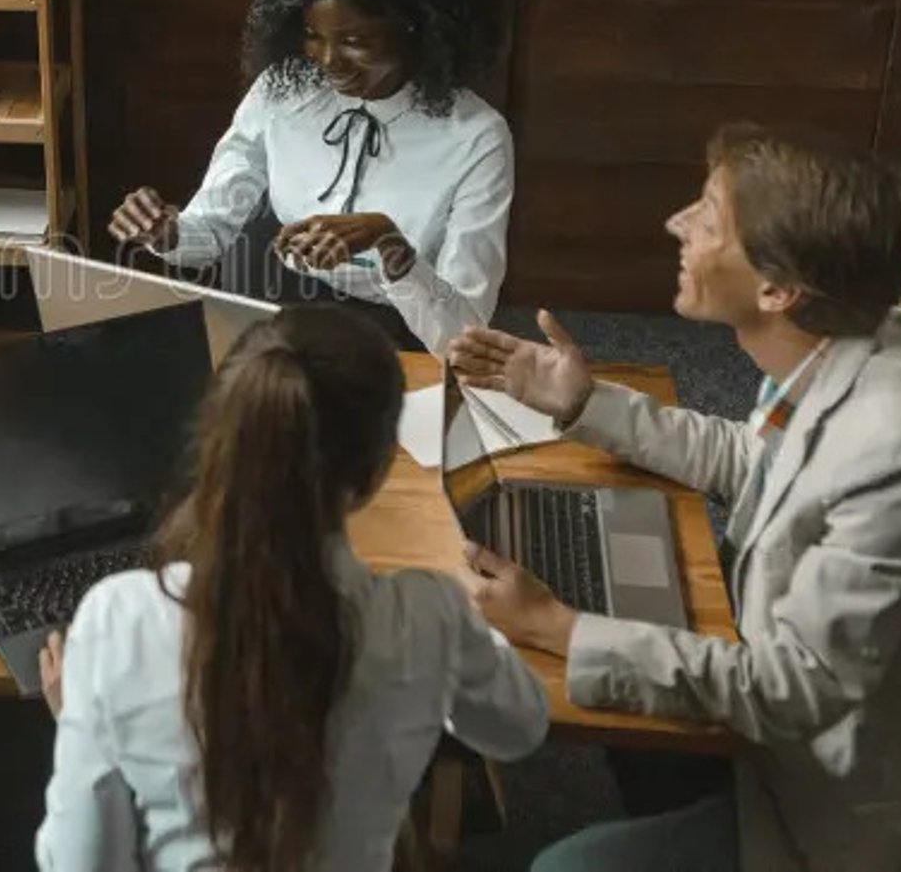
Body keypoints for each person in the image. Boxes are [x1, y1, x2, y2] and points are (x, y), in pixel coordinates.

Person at [447, 124, 901, 872]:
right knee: (634, 660)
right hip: (828, 705)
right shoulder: (857, 332)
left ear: (776, 287)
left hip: (883, 817)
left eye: (706, 216)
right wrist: (584, 403)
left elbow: (792, 687)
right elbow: (756, 458)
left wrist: (562, 626)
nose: (679, 225)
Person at [34, 305, 548, 871]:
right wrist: (458, 639)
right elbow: (518, 729)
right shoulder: (429, 616)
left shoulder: (117, 620)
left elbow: (83, 864)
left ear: (221, 441)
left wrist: (83, 717)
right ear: (375, 474)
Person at [108, 0, 511, 352]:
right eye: (312, 36)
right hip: (276, 305)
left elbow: (464, 333)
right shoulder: (282, 91)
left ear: (418, 25)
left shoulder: (478, 139)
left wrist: (392, 248)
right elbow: (210, 230)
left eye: (355, 40)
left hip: (396, 327)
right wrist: (168, 231)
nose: (327, 61)